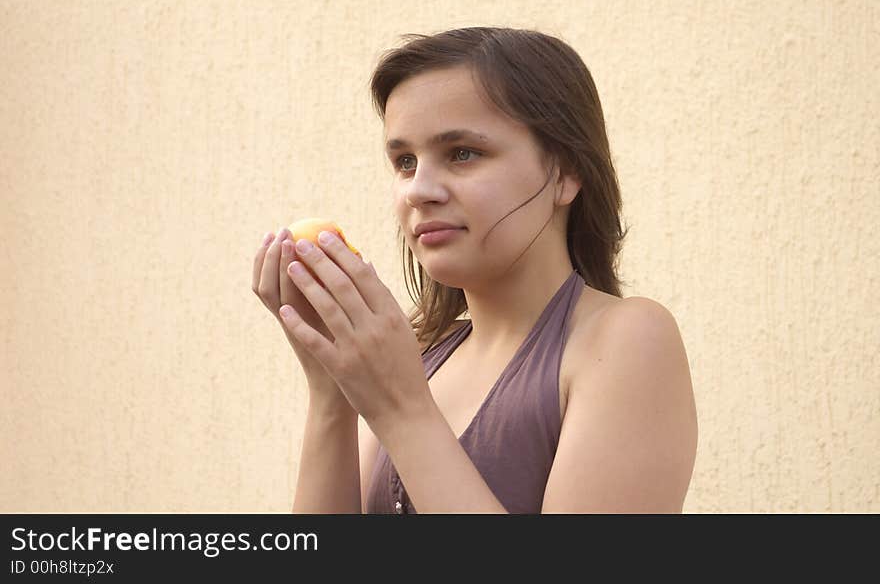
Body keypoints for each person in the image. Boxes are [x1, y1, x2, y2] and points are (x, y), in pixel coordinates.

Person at [253, 27, 698, 513]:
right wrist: (332, 389)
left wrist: (403, 413)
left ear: (566, 171)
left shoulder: (627, 338)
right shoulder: (417, 357)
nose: (418, 190)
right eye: (404, 161)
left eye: (462, 153)